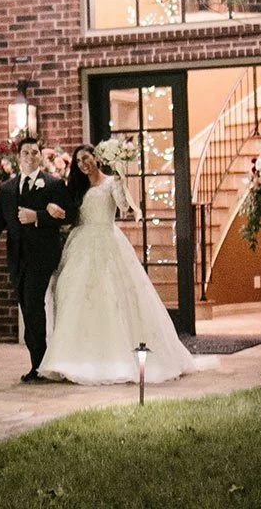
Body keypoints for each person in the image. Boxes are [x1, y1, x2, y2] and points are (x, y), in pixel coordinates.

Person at [37, 143, 196, 385]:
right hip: (81, 244)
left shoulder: (111, 182)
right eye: (78, 161)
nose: (83, 164)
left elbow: (123, 206)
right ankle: (74, 359)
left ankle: (117, 359)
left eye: (86, 158)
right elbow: (69, 215)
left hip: (108, 242)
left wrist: (121, 178)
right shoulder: (76, 188)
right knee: (75, 296)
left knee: (114, 298)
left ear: (96, 158)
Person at [0, 136, 76, 383]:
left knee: (32, 304)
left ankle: (39, 365)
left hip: (42, 256)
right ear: (18, 157)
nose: (30, 157)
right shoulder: (7, 189)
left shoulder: (52, 184)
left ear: (41, 156)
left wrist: (39, 216)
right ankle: (38, 363)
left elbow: (70, 215)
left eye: (34, 153)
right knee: (27, 307)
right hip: (17, 258)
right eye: (26, 153)